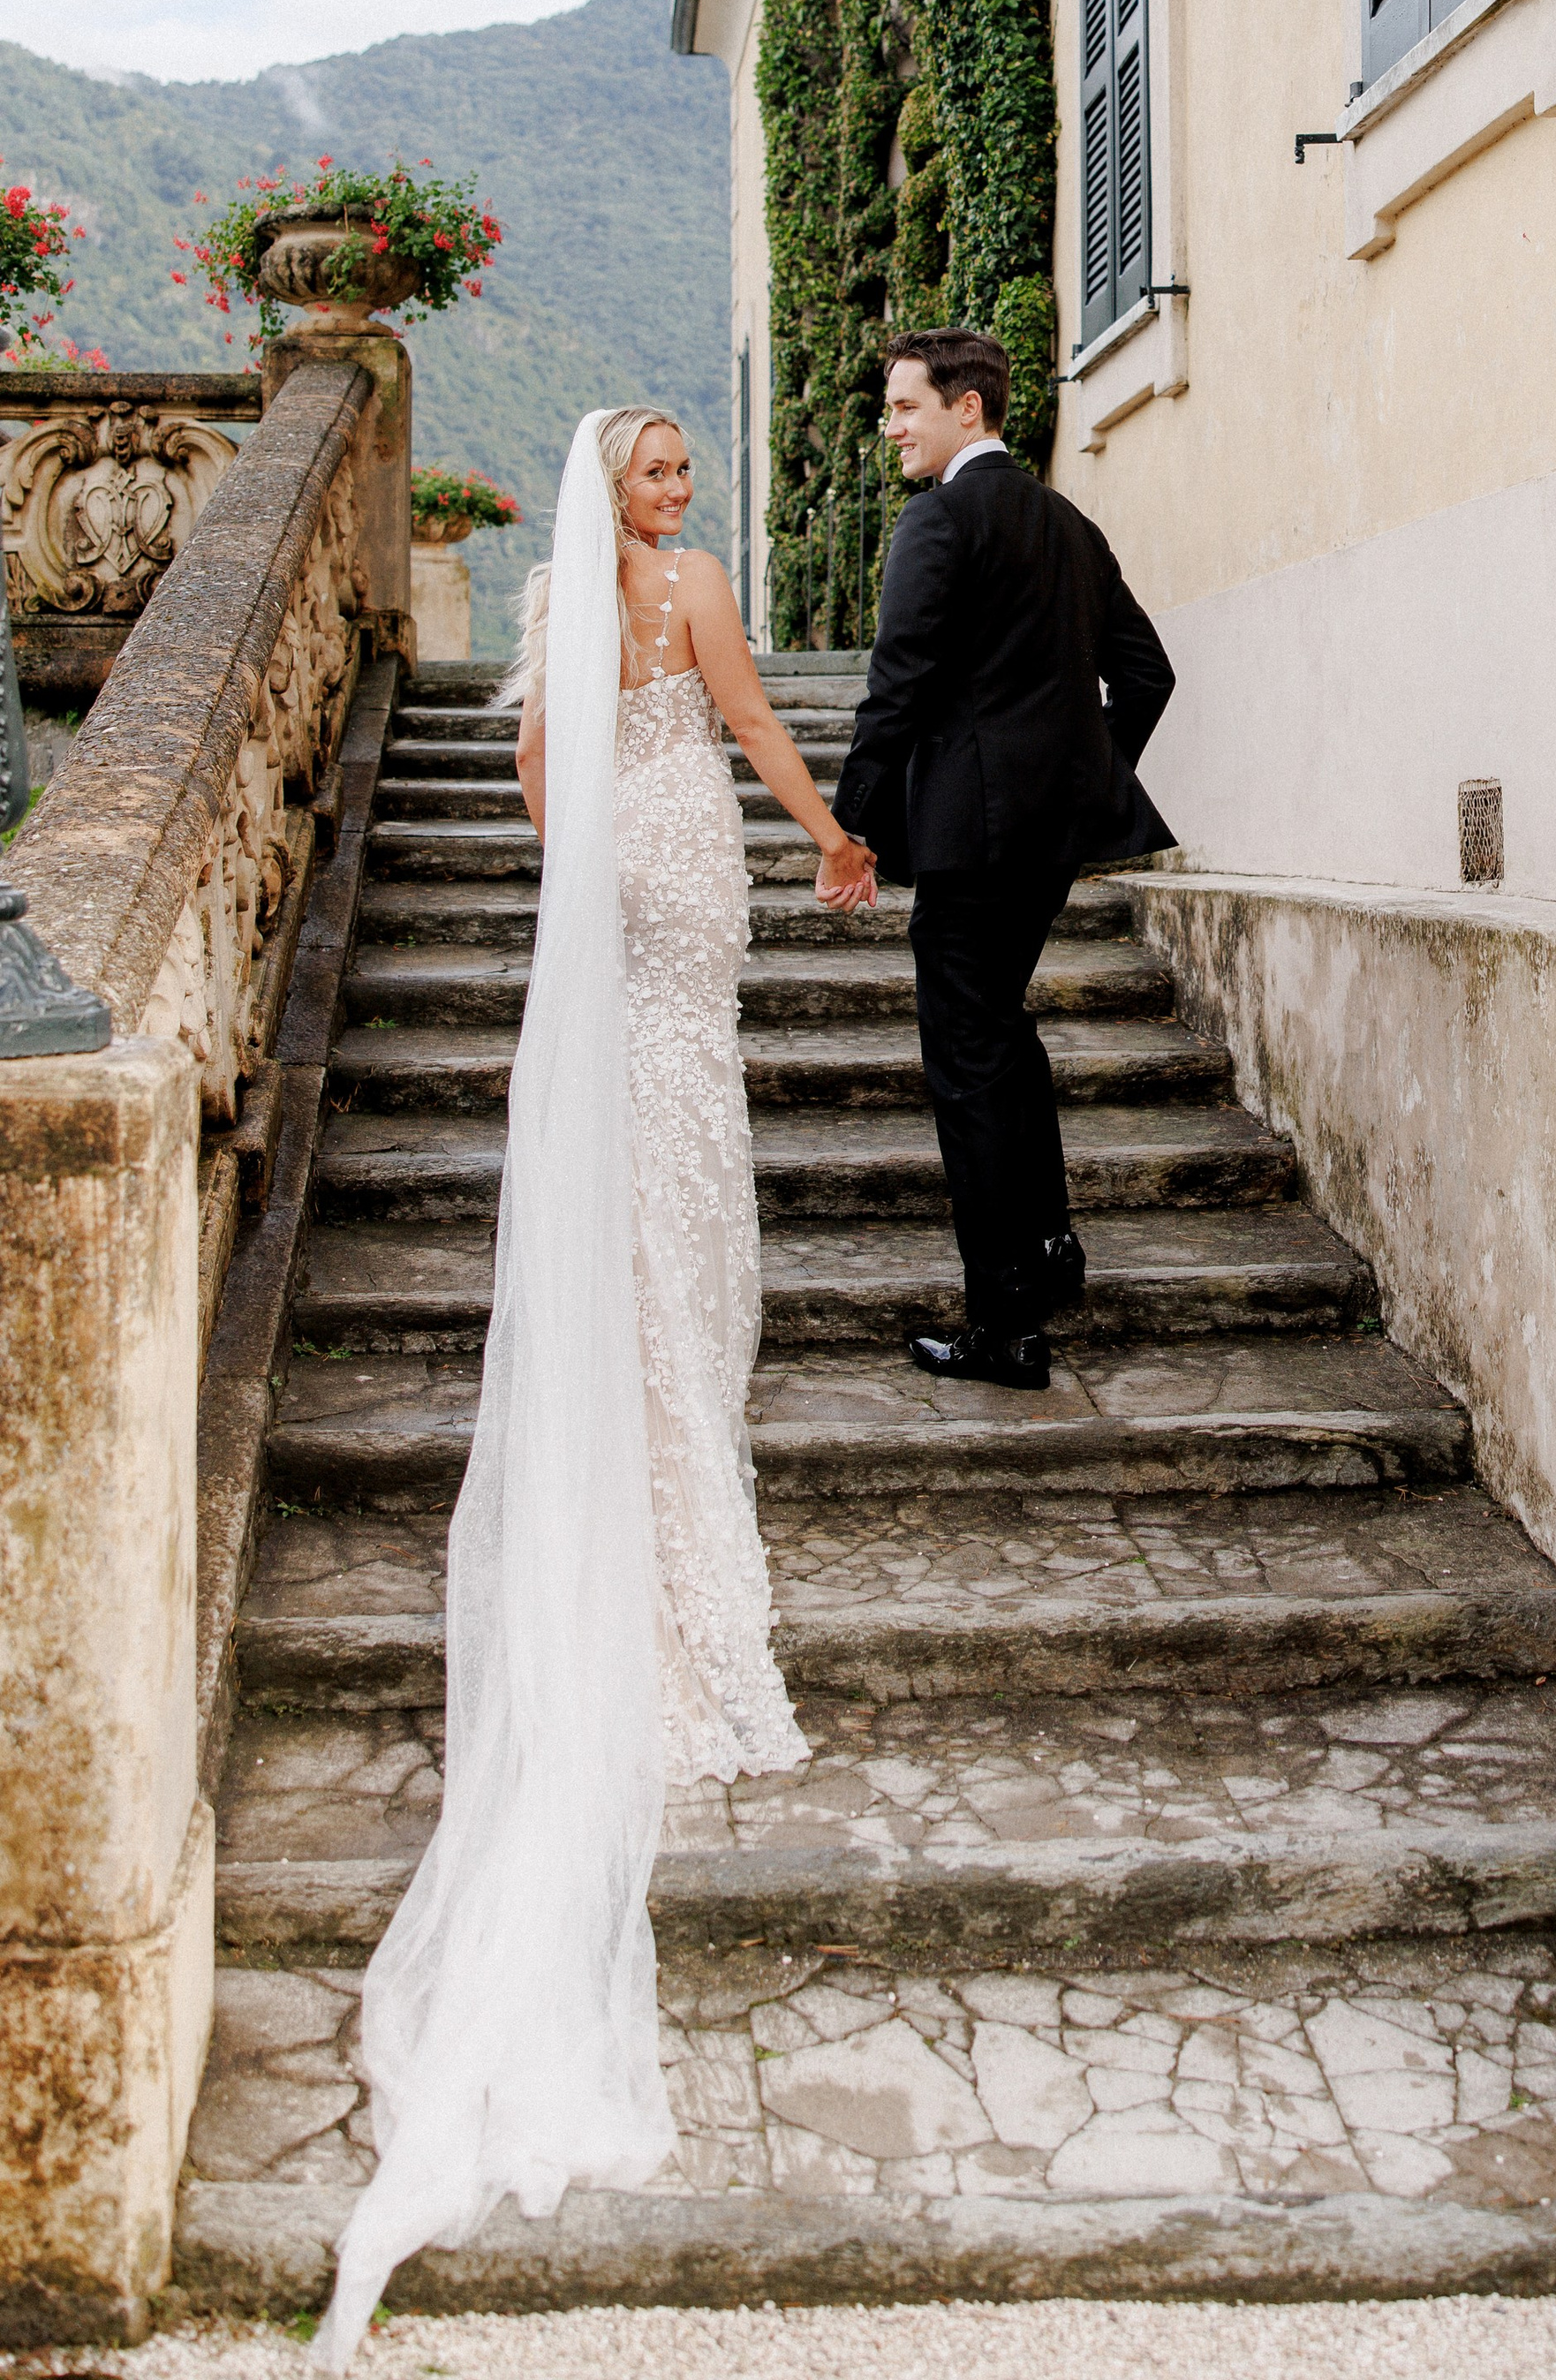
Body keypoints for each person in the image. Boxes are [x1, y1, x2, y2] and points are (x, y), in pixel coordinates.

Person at [313, 408, 877, 2366]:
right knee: (692, 1152)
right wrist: (812, 826)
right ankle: (678, 1453)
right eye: (655, 475)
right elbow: (736, 722)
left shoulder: (557, 599)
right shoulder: (698, 596)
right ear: (622, 491)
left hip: (617, 889)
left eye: (673, 476)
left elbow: (542, 784)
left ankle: (650, 1406)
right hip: (684, 880)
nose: (675, 496)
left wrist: (602, 868)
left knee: (661, 1144)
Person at [830, 329, 1175, 1391]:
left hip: (966, 842)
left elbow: (897, 688)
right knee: (1002, 1039)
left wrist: (851, 831)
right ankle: (1051, 1246)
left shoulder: (937, 520)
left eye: (903, 406)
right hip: (1043, 842)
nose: (889, 427)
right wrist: (1082, 783)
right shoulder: (1067, 522)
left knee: (968, 1064)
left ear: (966, 410)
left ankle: (1007, 1326)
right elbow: (1148, 674)